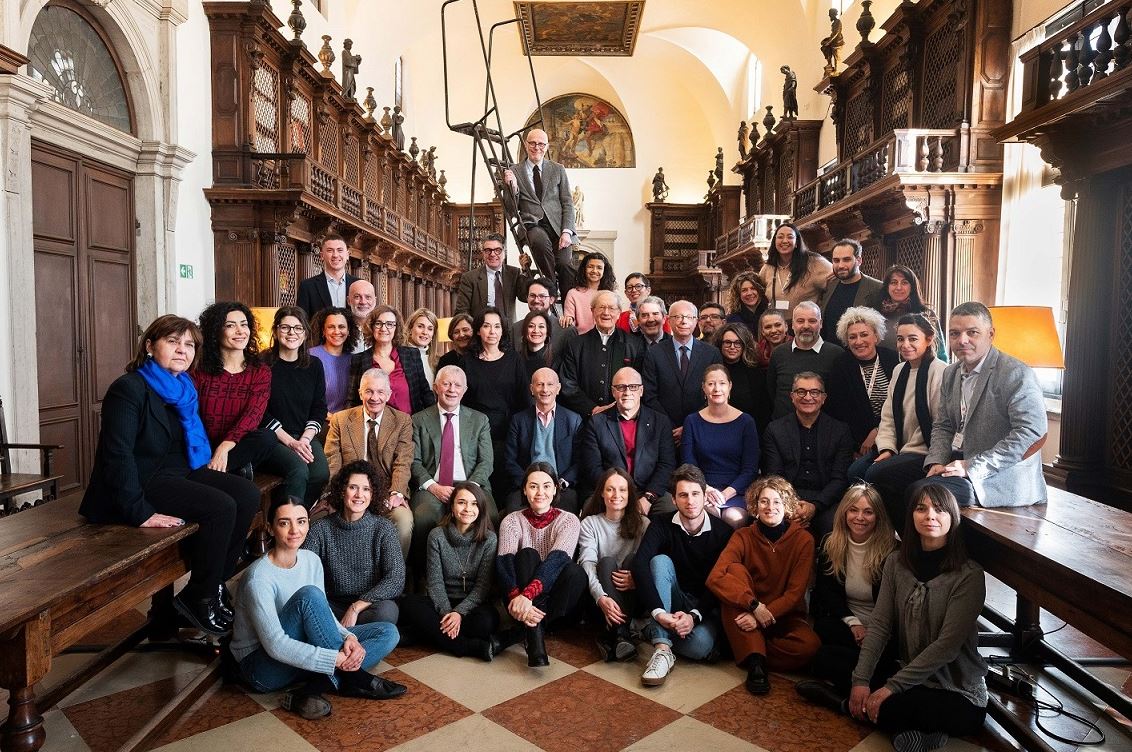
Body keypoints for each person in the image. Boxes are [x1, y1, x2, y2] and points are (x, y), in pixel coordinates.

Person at [81, 315, 259, 635]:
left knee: (247, 494)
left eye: (189, 344)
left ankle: (207, 587)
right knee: (221, 507)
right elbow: (116, 456)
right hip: (140, 481)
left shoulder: (184, 387)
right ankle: (202, 597)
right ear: (150, 346)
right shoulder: (129, 388)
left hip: (178, 472)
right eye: (173, 342)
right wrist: (141, 513)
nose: (182, 350)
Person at [230, 493, 403, 721]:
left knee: (387, 632)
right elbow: (275, 644)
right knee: (308, 597)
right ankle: (353, 678)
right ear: (271, 529)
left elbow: (326, 616)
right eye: (284, 523)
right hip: (262, 667)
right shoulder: (258, 578)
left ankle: (311, 687)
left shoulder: (311, 560)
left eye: (301, 521)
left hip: (298, 651)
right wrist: (336, 659)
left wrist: (347, 637)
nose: (295, 530)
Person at [848, 485, 989, 752]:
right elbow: (879, 625)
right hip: (911, 673)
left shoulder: (969, 575)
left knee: (890, 706)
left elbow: (947, 647)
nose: (930, 516)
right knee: (835, 664)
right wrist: (861, 681)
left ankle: (844, 705)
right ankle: (875, 710)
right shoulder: (896, 563)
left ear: (953, 517)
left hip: (957, 692)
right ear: (911, 516)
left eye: (939, 509)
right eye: (921, 508)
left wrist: (890, 688)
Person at [910, 302, 1048, 509]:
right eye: (955, 334)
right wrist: (936, 461)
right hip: (957, 460)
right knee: (884, 475)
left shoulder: (1015, 373)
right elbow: (943, 425)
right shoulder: (951, 373)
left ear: (990, 334)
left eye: (972, 332)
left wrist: (971, 466)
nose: (962, 340)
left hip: (999, 475)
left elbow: (1032, 433)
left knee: (921, 494)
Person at [707, 476, 820, 695]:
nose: (770, 507)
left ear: (786, 505)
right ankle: (756, 663)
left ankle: (747, 647)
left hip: (784, 615)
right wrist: (753, 606)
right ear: (755, 506)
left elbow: (795, 594)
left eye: (777, 502)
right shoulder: (743, 535)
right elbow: (715, 577)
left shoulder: (804, 540)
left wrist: (763, 615)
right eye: (764, 501)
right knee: (734, 572)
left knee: (810, 647)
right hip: (748, 609)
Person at [795, 484, 898, 708]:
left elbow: (894, 605)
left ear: (878, 516)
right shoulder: (831, 543)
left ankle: (843, 696)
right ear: (844, 513)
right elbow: (827, 593)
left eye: (868, 512)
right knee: (821, 646)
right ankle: (867, 684)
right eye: (853, 510)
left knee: (883, 656)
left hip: (883, 628)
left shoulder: (892, 551)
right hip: (848, 625)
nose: (860, 517)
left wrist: (873, 633)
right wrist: (854, 624)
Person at [633, 464, 733, 687]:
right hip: (673, 597)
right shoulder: (661, 524)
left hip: (703, 605)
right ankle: (662, 648)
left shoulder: (723, 532)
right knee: (659, 561)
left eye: (696, 494)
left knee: (699, 647)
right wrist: (660, 613)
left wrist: (694, 616)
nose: (690, 501)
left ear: (705, 495)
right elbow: (640, 564)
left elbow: (721, 581)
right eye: (683, 495)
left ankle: (648, 629)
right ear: (674, 500)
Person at [496, 462, 587, 667]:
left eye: (546, 486)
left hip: (555, 605)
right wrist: (516, 597)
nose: (540, 492)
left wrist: (528, 598)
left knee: (576, 572)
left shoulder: (569, 520)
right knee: (528, 555)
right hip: (517, 599)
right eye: (533, 486)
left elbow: (557, 561)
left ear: (555, 489)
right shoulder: (511, 520)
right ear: (524, 490)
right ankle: (535, 641)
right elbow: (504, 564)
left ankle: (524, 630)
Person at [398, 481, 501, 661]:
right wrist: (447, 613)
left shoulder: (489, 539)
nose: (468, 508)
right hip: (441, 602)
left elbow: (482, 587)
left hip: (472, 605)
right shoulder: (437, 535)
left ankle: (425, 635)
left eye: (474, 503)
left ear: (481, 509)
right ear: (452, 507)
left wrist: (459, 613)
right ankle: (469, 646)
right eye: (461, 502)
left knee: (486, 622)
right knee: (409, 605)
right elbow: (435, 582)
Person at [409, 365, 498, 567]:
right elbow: (413, 462)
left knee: (490, 515)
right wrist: (433, 486)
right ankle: (423, 574)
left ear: (464, 390)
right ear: (435, 387)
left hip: (472, 484)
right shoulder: (418, 420)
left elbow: (486, 462)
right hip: (434, 485)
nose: (452, 389)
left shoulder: (479, 420)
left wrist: (469, 489)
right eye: (446, 384)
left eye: (457, 385)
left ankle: (482, 576)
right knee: (424, 517)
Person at [865, 314, 948, 523]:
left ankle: (905, 533)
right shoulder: (899, 370)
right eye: (901, 339)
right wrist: (887, 448)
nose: (905, 344)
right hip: (899, 447)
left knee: (875, 476)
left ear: (928, 339)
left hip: (924, 451)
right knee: (854, 472)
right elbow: (888, 416)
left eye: (913, 338)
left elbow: (942, 423)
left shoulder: (941, 372)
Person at [323, 368, 415, 557]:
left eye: (381, 392)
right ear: (360, 393)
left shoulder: (402, 421)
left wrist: (397, 492)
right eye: (369, 391)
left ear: (388, 394)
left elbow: (403, 461)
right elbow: (332, 462)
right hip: (349, 491)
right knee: (320, 518)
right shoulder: (341, 420)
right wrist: (335, 493)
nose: (375, 397)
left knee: (404, 521)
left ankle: (394, 574)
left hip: (386, 491)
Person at [303, 461, 405, 625]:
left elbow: (396, 578)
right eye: (353, 487)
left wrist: (356, 608)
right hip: (331, 605)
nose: (359, 495)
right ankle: (353, 638)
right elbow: (304, 572)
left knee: (387, 612)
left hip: (367, 606)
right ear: (342, 491)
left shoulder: (383, 528)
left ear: (373, 494)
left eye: (366, 489)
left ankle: (338, 637)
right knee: (308, 606)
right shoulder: (321, 528)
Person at [762, 372, 854, 540]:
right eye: (801, 392)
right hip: (788, 499)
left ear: (824, 397)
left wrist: (815, 506)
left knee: (833, 529)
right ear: (792, 396)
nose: (808, 397)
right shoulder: (775, 430)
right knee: (778, 526)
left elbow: (840, 479)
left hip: (826, 500)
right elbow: (775, 476)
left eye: (814, 392)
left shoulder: (840, 431)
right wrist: (791, 505)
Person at [192, 301, 276, 478]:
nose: (240, 331)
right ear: (215, 332)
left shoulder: (260, 372)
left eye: (244, 325)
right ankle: (230, 469)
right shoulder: (199, 370)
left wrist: (225, 445)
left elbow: (253, 415)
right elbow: (191, 414)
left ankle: (215, 470)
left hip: (237, 444)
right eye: (230, 325)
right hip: (202, 441)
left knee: (267, 437)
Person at [579, 367, 677, 518]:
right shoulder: (596, 423)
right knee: (589, 510)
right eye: (621, 387)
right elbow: (592, 468)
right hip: (610, 491)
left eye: (633, 387)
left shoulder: (660, 422)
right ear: (613, 392)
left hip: (648, 490)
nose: (627, 392)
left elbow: (667, 465)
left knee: (670, 509)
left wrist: (649, 497)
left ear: (641, 391)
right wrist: (615, 495)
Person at [578, 467, 649, 662]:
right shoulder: (590, 524)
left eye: (622, 490)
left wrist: (637, 580)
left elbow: (647, 565)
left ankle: (618, 634)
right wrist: (600, 597)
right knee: (607, 562)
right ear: (601, 492)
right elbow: (587, 563)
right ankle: (622, 635)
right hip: (601, 600)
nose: (616, 495)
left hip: (635, 597)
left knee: (634, 561)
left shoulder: (644, 524)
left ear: (630, 494)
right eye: (610, 489)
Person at [262, 307, 330, 506]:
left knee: (320, 473)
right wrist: (290, 442)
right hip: (271, 436)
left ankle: (300, 516)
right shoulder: (262, 363)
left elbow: (319, 407)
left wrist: (305, 438)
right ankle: (284, 525)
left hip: (303, 434)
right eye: (285, 327)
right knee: (299, 470)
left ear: (305, 333)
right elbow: (258, 412)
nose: (292, 333)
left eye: (298, 328)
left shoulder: (314, 365)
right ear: (275, 331)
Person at [460, 307, 531, 494]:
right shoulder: (467, 361)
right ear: (478, 330)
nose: (492, 331)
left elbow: (524, 399)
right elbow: (462, 402)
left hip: (508, 430)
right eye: (487, 326)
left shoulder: (514, 359)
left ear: (503, 330)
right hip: (475, 432)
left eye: (497, 326)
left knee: (504, 481)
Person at [825, 307, 898, 482]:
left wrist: (878, 430)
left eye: (864, 334)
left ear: (876, 336)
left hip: (896, 435)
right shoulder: (840, 366)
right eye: (852, 337)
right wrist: (856, 447)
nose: (859, 341)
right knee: (856, 473)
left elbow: (902, 405)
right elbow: (838, 413)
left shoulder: (894, 360)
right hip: (859, 444)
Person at [681, 364, 759, 528]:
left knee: (733, 517)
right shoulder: (692, 421)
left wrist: (724, 494)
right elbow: (689, 464)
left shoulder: (746, 422)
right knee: (710, 515)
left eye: (722, 383)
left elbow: (750, 469)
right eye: (711, 384)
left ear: (730, 386)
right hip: (702, 488)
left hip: (736, 490)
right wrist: (706, 489)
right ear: (703, 388)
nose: (717, 389)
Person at [504, 128, 578, 294]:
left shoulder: (558, 169)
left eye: (541, 144)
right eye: (533, 143)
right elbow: (510, 208)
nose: (537, 147)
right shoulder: (514, 170)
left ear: (547, 146)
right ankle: (550, 290)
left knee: (565, 264)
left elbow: (567, 202)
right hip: (532, 224)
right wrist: (512, 187)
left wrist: (567, 232)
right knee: (539, 242)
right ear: (526, 145)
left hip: (558, 227)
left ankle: (568, 308)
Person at [503, 367, 583, 513]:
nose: (545, 389)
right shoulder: (518, 420)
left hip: (560, 486)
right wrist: (527, 483)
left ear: (558, 388)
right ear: (532, 389)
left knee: (567, 518)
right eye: (539, 384)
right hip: (527, 485)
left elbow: (579, 461)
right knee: (512, 515)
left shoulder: (573, 420)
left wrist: (561, 483)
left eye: (550, 384)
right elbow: (509, 460)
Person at [642, 300, 724, 441]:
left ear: (696, 321)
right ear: (668, 320)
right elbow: (649, 395)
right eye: (678, 317)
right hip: (664, 432)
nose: (683, 321)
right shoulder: (654, 353)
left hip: (702, 428)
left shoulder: (711, 353)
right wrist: (669, 426)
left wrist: (692, 424)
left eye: (688, 317)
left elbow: (717, 393)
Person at [559, 290, 645, 417]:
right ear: (592, 311)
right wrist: (592, 408)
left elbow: (639, 385)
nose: (606, 313)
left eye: (611, 308)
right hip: (584, 418)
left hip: (622, 418)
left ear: (618, 313)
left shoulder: (634, 345)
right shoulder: (576, 345)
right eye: (601, 307)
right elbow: (568, 384)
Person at [348, 305, 434, 416]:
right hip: (374, 428)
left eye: (389, 324)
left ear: (396, 328)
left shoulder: (411, 355)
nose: (384, 328)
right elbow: (352, 400)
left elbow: (425, 393)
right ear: (371, 327)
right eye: (378, 323)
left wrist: (435, 422)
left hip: (409, 427)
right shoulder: (359, 360)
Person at [767, 302, 844, 419]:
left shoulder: (837, 355)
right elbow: (771, 391)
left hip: (824, 430)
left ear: (821, 324)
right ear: (792, 325)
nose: (806, 326)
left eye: (812, 321)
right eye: (800, 321)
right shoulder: (779, 353)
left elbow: (840, 397)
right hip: (783, 429)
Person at [819, 239, 884, 345]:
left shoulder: (877, 288)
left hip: (859, 353)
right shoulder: (828, 285)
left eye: (846, 260)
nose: (840, 265)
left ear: (859, 260)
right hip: (829, 354)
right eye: (836, 260)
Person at [454, 233, 531, 321]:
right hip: (481, 331)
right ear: (483, 253)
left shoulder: (514, 273)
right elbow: (462, 311)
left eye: (497, 250)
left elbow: (524, 297)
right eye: (488, 250)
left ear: (504, 252)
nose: (492, 254)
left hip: (509, 332)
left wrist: (525, 270)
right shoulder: (469, 278)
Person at [758, 222, 833, 312]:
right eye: (780, 237)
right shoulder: (768, 268)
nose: (785, 241)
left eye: (790, 237)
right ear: (774, 242)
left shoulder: (814, 263)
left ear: (797, 242)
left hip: (804, 324)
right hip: (777, 324)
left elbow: (837, 282)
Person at [877, 265, 946, 360]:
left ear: (912, 287)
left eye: (904, 283)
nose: (899, 287)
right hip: (883, 371)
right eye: (894, 282)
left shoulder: (925, 314)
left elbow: (940, 353)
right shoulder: (877, 314)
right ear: (887, 287)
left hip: (919, 371)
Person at [714, 323, 773, 433]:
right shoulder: (711, 371)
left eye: (737, 343)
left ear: (744, 345)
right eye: (727, 342)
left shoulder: (755, 374)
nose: (732, 347)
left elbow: (763, 411)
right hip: (715, 431)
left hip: (746, 432)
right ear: (720, 344)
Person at [296, 234, 360, 321]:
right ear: (322, 255)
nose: (335, 255)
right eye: (330, 250)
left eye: (340, 250)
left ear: (347, 255)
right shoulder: (307, 286)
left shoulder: (359, 284)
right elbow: (302, 321)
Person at [309, 307, 357, 414]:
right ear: (323, 331)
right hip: (318, 420)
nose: (337, 331)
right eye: (331, 327)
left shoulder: (354, 360)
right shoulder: (310, 355)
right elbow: (305, 396)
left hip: (347, 421)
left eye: (341, 327)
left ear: (348, 331)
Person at [562, 251, 617, 334]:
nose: (594, 271)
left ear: (604, 271)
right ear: (584, 269)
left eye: (599, 268)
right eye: (590, 267)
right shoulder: (573, 293)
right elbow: (569, 320)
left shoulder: (612, 294)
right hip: (580, 340)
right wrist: (568, 319)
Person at [511, 278, 571, 352]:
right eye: (532, 295)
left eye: (542, 296)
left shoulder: (566, 330)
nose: (536, 300)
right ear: (527, 298)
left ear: (552, 300)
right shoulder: (516, 328)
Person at [517, 309, 557, 378]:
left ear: (547, 332)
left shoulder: (556, 360)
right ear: (525, 330)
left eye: (541, 326)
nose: (536, 331)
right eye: (531, 326)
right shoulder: (516, 359)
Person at [405, 308, 438, 388]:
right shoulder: (398, 356)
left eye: (430, 329)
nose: (425, 332)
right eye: (420, 326)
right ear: (410, 329)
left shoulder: (436, 362)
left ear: (433, 335)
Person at [346, 280, 377, 353]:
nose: (363, 302)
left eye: (368, 297)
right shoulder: (341, 330)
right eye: (357, 297)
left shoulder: (384, 329)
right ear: (348, 301)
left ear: (375, 301)